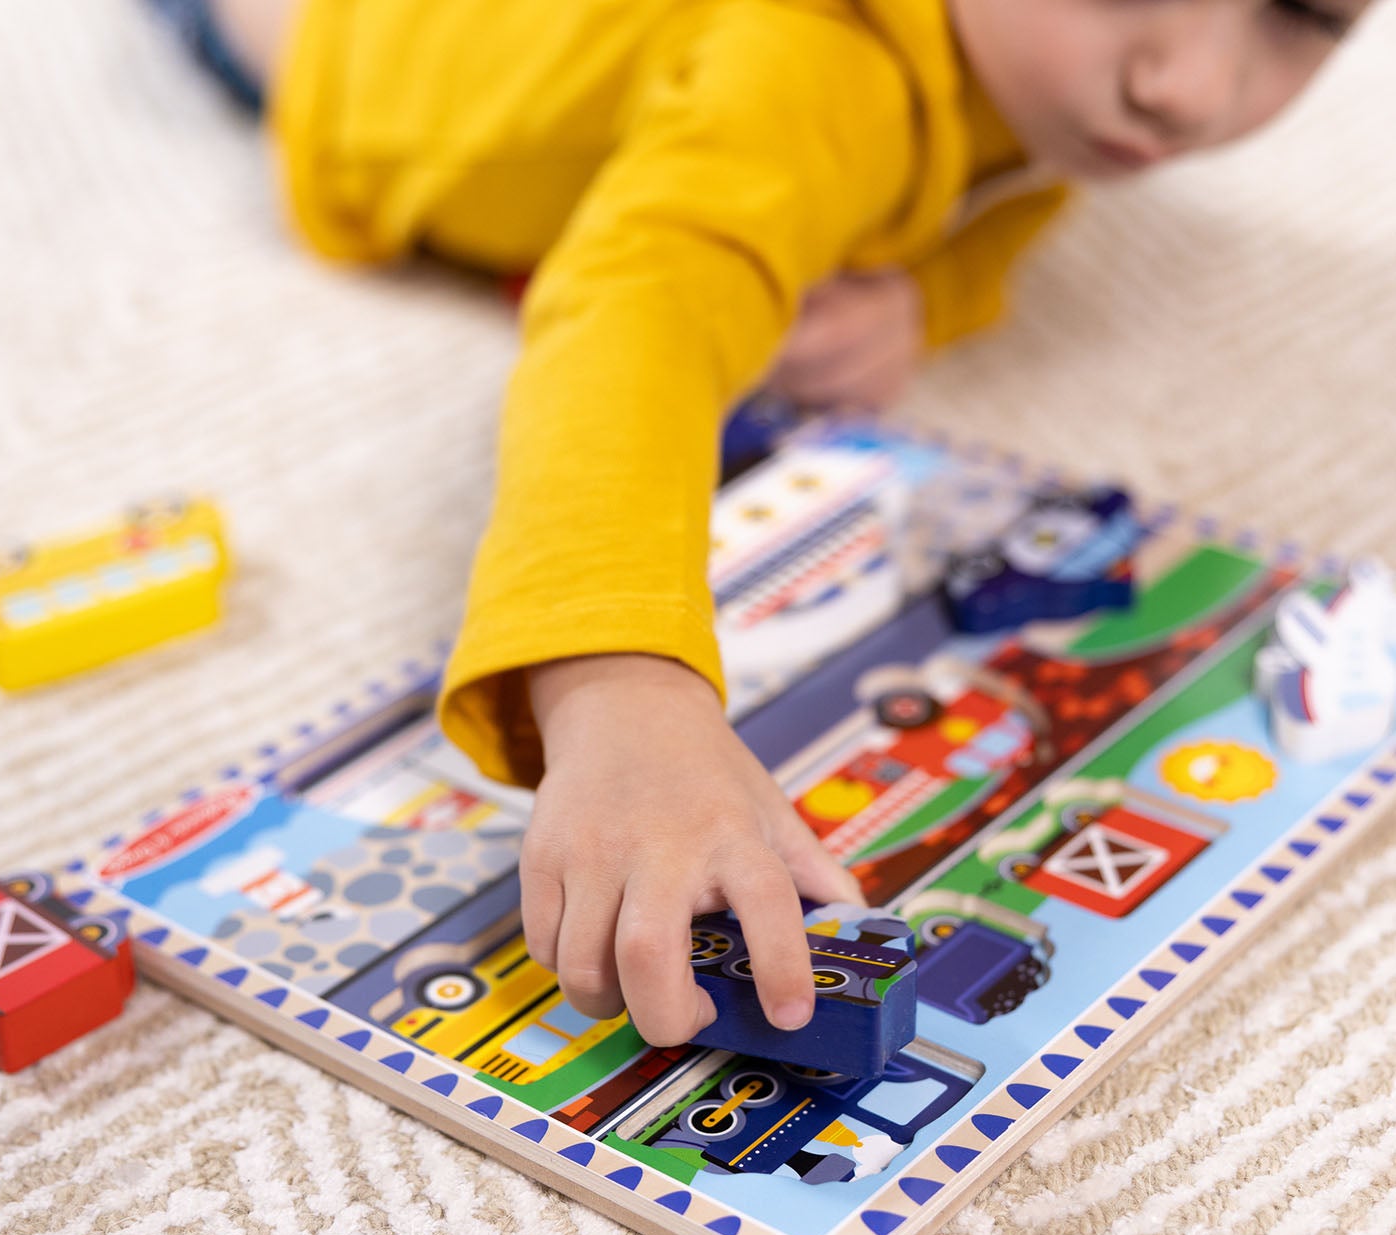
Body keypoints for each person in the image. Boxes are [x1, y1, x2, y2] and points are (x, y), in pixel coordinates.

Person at [150, 0, 1372, 1048]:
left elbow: (999, 184)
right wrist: (624, 691)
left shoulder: (1042, 65)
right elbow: (636, 315)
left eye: (1307, 12)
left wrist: (922, 294)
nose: (1190, 85)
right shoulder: (803, 68)